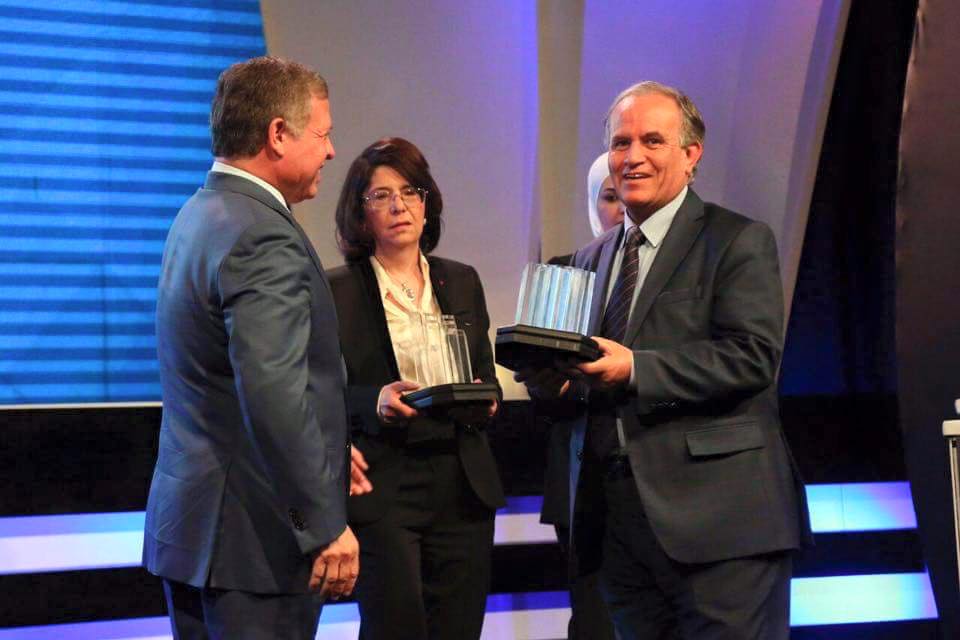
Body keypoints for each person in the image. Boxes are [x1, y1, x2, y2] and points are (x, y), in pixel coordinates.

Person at [517, 81, 811, 639]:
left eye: (652, 140)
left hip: (721, 527)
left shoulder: (737, 240)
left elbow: (752, 357)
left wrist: (636, 368)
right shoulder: (586, 260)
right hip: (616, 526)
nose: (633, 156)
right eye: (621, 142)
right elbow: (578, 385)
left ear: (691, 154)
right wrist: (548, 378)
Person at [142, 56, 358, 640]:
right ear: (278, 134)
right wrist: (321, 522)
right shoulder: (261, 232)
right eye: (323, 133)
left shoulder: (198, 213)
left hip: (196, 536)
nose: (331, 151)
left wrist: (331, 449)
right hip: (254, 547)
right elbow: (272, 393)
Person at [328, 137, 505, 640]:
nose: (399, 206)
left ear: (428, 204)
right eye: (380, 196)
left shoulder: (462, 280)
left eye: (410, 191)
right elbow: (317, 391)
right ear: (361, 214)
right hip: (386, 479)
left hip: (461, 477)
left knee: (459, 628)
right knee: (395, 627)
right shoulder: (337, 289)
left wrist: (486, 398)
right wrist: (374, 400)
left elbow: (486, 374)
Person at [540, 152, 622, 640]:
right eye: (608, 197)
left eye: (624, 194)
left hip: (655, 479)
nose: (620, 207)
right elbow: (544, 389)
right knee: (593, 620)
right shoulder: (564, 274)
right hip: (581, 477)